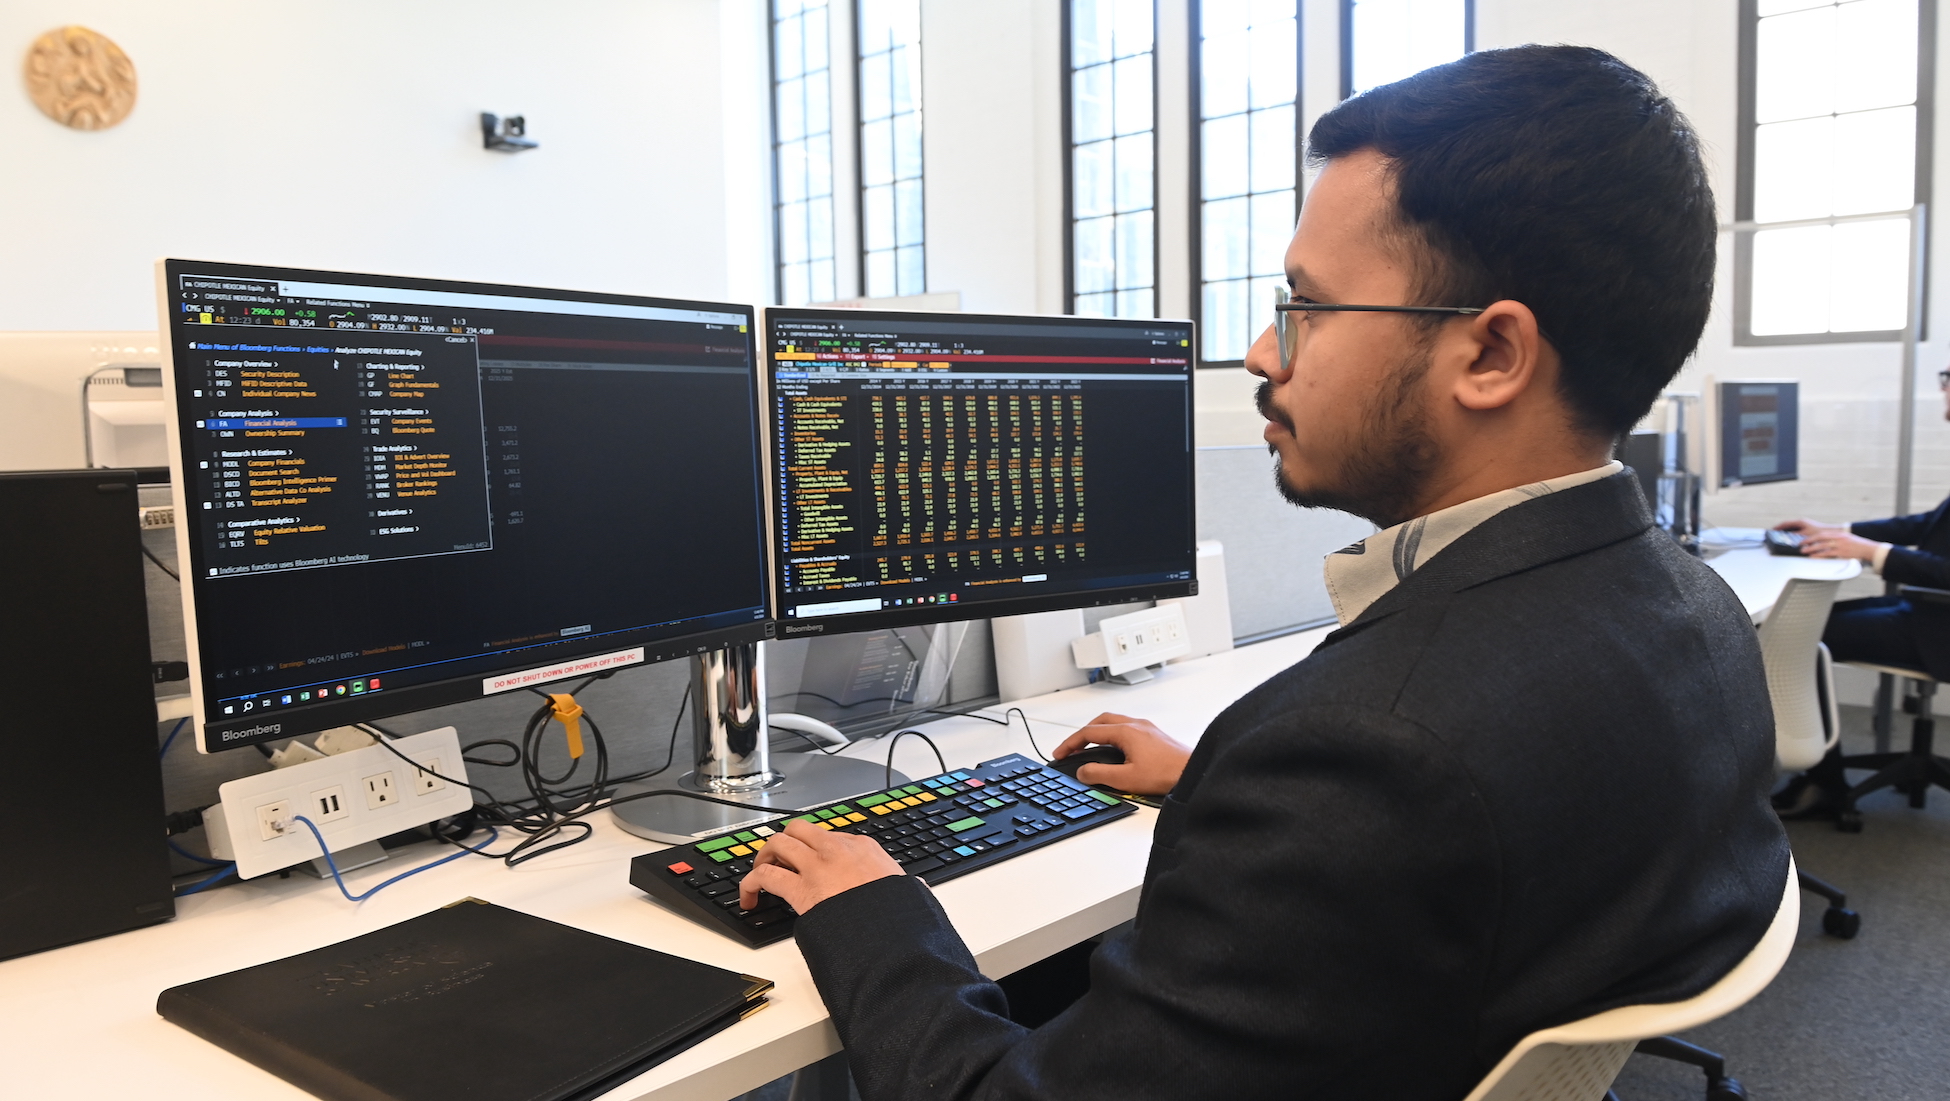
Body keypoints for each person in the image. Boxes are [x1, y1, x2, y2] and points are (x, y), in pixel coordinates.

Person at [739, 46, 1789, 1099]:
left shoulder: (1364, 753)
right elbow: (1493, 821)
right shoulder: (1687, 606)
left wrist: (874, 914)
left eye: (1308, 305)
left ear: (1491, 356)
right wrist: (1236, 789)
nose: (1258, 352)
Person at [1771, 366, 1950, 816]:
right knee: (1813, 628)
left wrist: (1872, 552)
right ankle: (1818, 774)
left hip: (1939, 625)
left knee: (1802, 643)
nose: (1944, 413)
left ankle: (1826, 788)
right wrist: (1841, 532)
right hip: (1927, 607)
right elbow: (1926, 524)